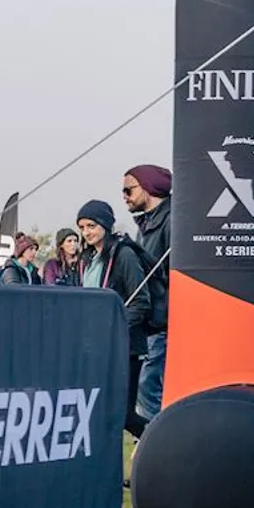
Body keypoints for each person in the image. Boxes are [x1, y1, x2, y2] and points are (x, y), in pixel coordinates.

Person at [75, 199, 156, 440]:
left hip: (126, 347)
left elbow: (141, 301)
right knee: (99, 412)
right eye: (82, 227)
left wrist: (111, 327)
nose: (86, 232)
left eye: (91, 226)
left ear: (105, 225)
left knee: (124, 415)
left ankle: (165, 444)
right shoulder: (86, 259)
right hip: (96, 347)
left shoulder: (124, 254)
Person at [123, 165, 173, 425]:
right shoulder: (144, 224)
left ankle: (157, 443)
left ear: (148, 188)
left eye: (128, 189)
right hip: (150, 322)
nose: (124, 196)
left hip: (163, 320)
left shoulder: (172, 220)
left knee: (147, 385)